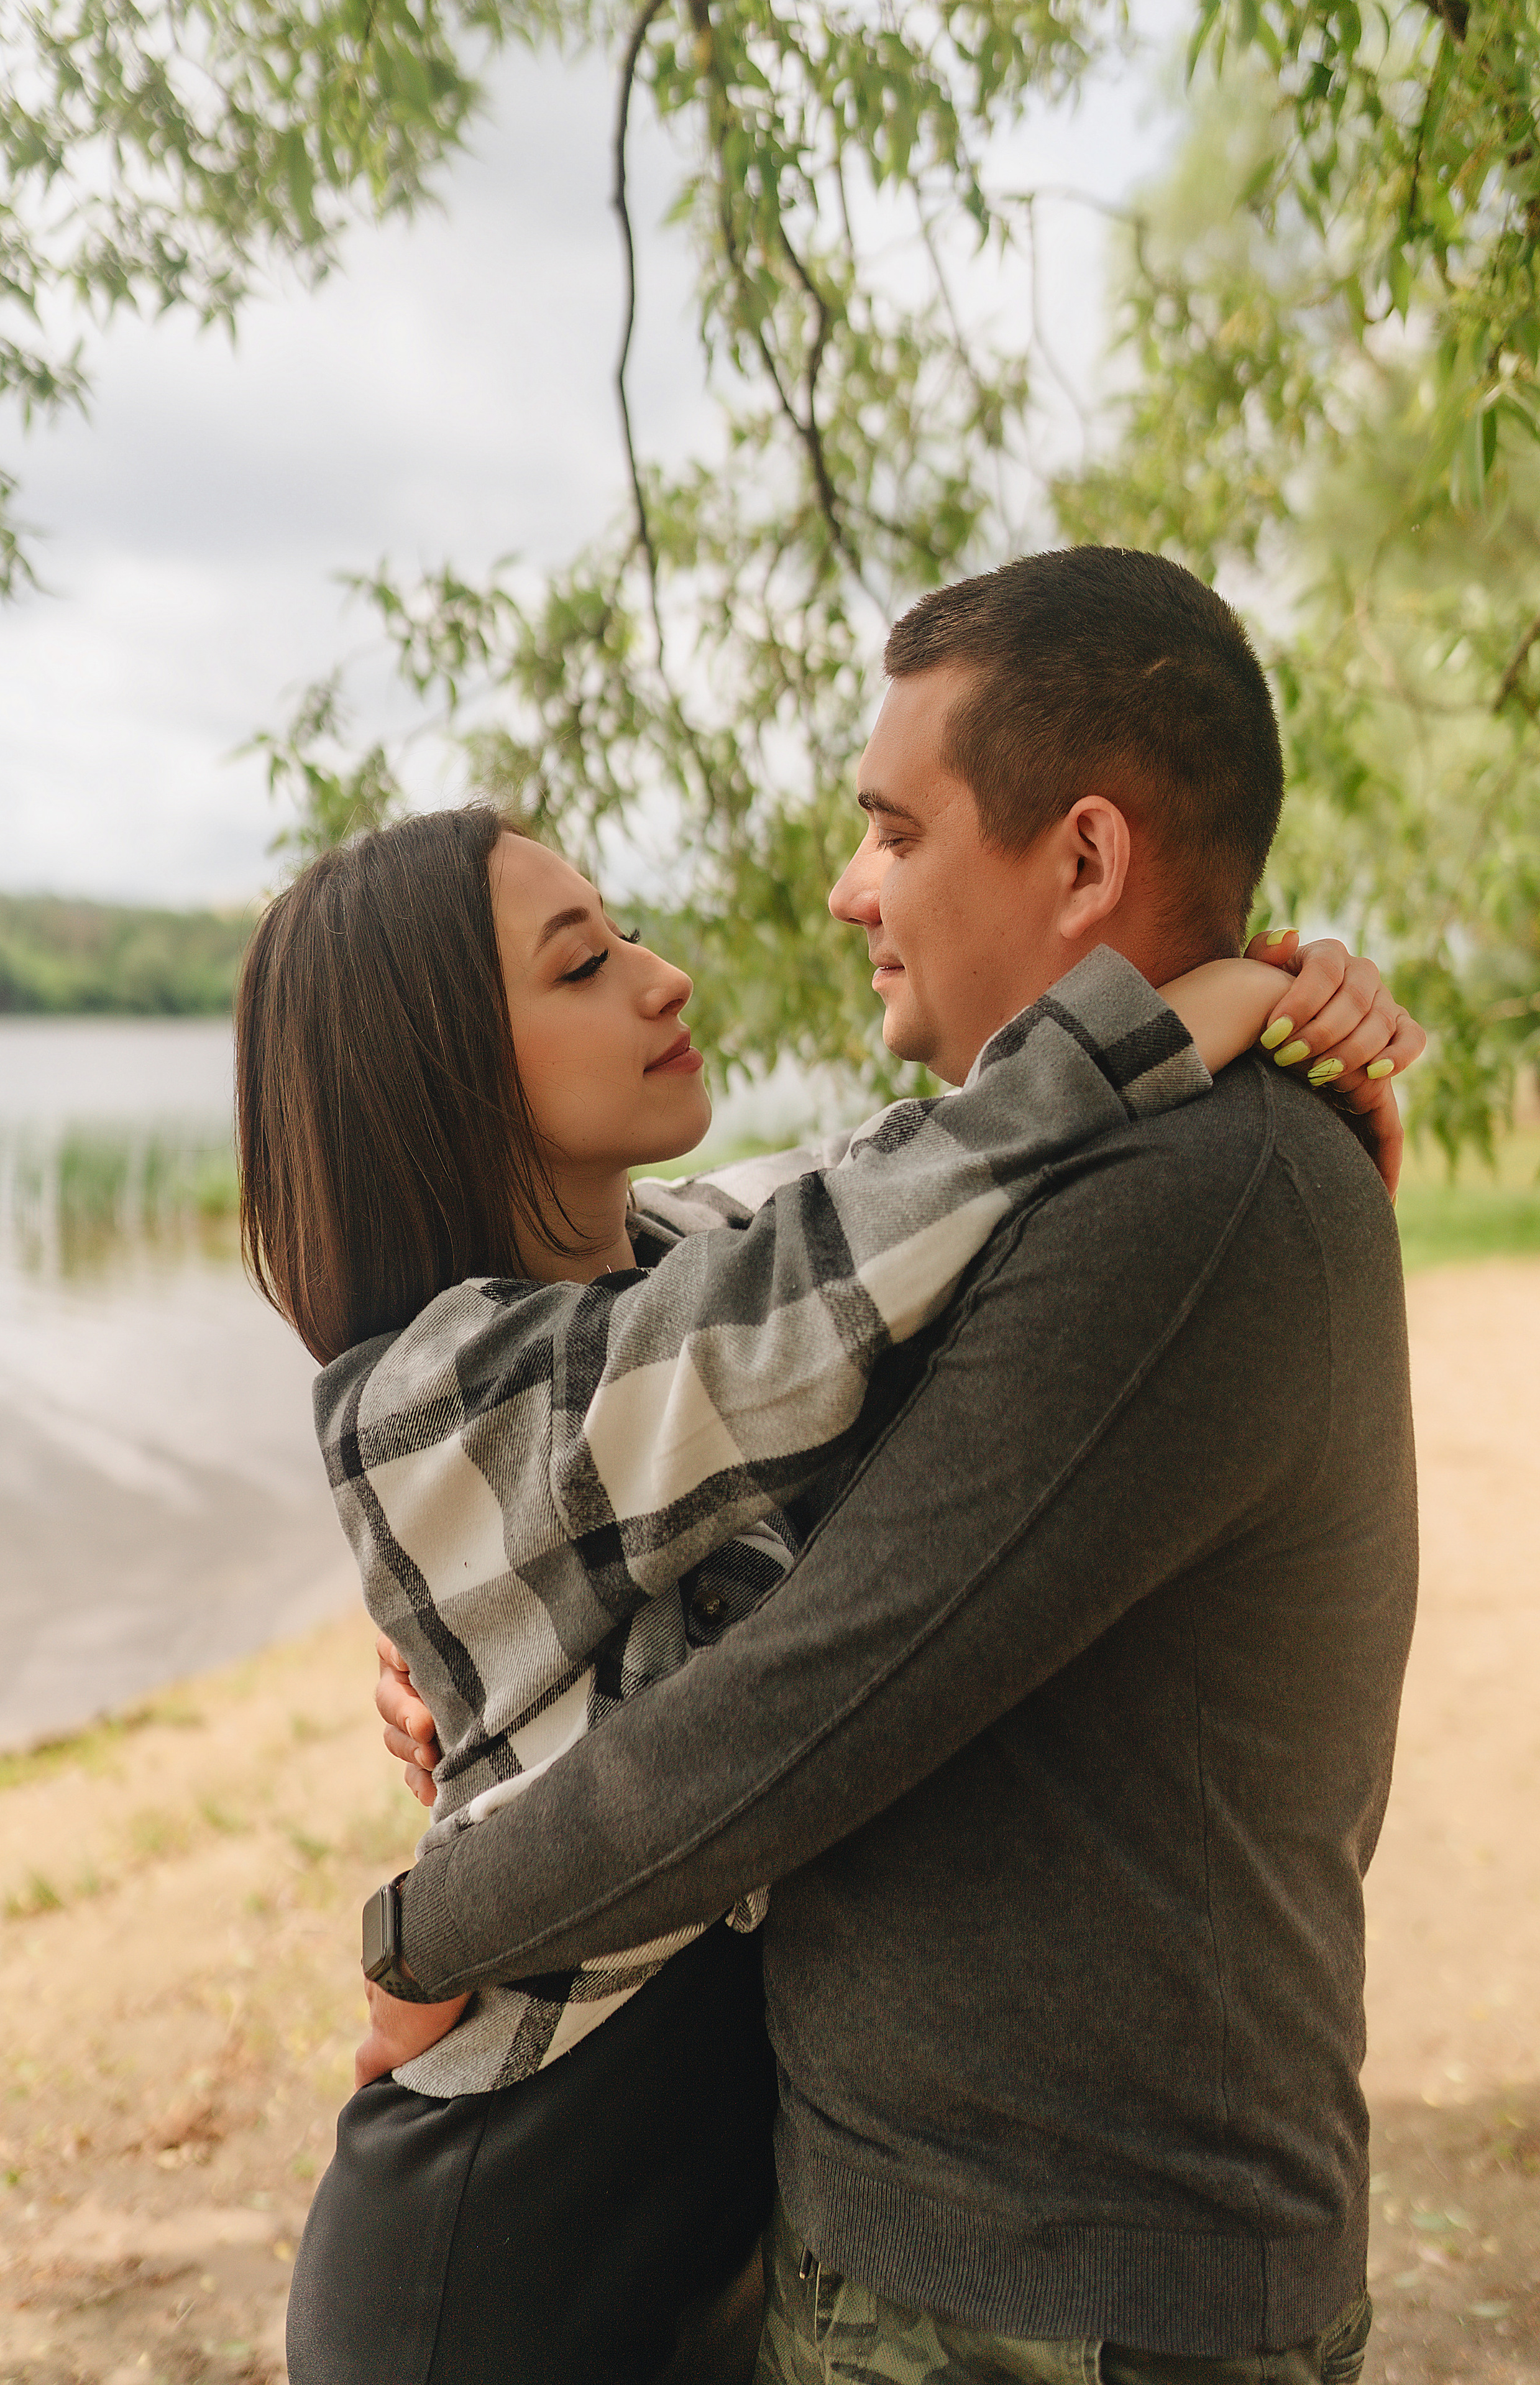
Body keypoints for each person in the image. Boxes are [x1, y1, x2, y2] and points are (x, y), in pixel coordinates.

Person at [360, 549, 1424, 2383]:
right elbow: (696, 1374)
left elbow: (819, 1693)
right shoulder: (1019, 1195)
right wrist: (465, 1630)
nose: (849, 887)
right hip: (971, 2255)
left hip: (1062, 2292)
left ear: (1083, 862)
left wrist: (428, 1926)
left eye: (892, 828)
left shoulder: (1184, 1203)